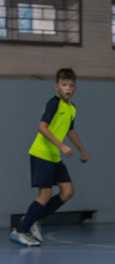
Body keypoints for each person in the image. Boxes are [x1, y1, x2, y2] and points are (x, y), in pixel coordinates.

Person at [10, 68, 88, 247]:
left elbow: (69, 130)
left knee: (68, 192)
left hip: (54, 156)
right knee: (45, 194)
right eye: (64, 85)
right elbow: (42, 127)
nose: (68, 88)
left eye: (71, 85)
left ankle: (33, 218)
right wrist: (61, 145)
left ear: (75, 88)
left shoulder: (72, 108)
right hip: (41, 153)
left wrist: (82, 149)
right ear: (56, 86)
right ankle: (20, 231)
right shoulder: (54, 103)